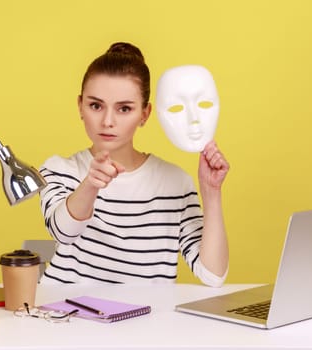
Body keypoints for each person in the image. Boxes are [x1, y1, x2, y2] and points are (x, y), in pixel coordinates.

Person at [39, 42, 230, 287]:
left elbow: (213, 275)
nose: (107, 121)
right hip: (66, 314)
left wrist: (211, 192)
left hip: (142, 321)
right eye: (96, 106)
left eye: (124, 108)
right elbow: (62, 231)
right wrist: (90, 185)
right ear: (80, 106)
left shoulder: (175, 183)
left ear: (144, 114)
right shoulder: (60, 169)